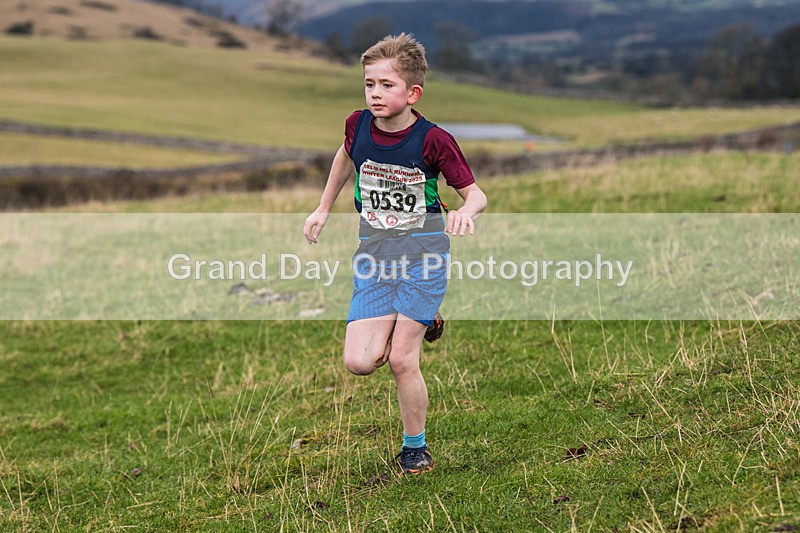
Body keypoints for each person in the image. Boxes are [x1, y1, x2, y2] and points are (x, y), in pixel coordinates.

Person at [303, 33, 487, 474]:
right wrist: (323, 207)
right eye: (369, 84)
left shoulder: (433, 140)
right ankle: (424, 318)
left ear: (412, 92)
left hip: (425, 257)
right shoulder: (357, 125)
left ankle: (414, 448)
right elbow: (345, 158)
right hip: (374, 259)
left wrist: (464, 213)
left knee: (403, 359)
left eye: (386, 85)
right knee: (360, 361)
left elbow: (476, 194)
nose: (375, 94)